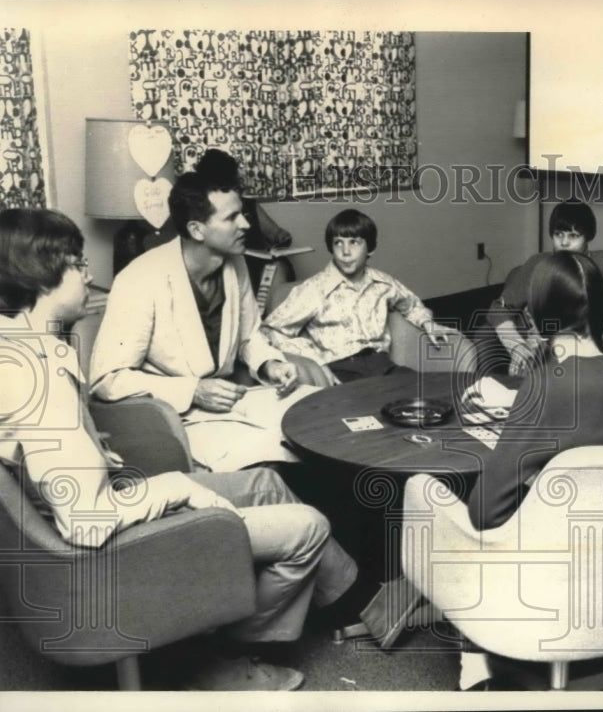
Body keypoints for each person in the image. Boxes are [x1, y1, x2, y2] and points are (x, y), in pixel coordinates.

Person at [0, 208, 357, 690]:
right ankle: (219, 657)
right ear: (40, 273)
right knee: (310, 527)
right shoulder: (37, 381)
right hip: (108, 551)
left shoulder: (22, 348)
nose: (88, 274)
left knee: (266, 482)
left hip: (112, 507)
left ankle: (345, 599)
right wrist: (171, 489)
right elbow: (86, 520)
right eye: (77, 263)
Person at [451, 251, 603, 689]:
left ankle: (476, 659)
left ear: (538, 312)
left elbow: (484, 512)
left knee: (449, 508)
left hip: (554, 568)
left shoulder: (546, 386)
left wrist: (527, 472)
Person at [89, 171, 303, 472]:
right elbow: (106, 379)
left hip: (230, 404)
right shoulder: (140, 279)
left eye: (242, 213)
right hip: (173, 420)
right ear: (197, 229)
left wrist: (271, 364)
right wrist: (193, 390)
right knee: (271, 454)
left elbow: (249, 336)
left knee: (315, 421)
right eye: (232, 218)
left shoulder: (236, 263)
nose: (245, 224)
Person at [260, 208, 452, 384]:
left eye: (354, 243)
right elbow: (270, 330)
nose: (345, 252)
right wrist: (313, 358)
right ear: (331, 247)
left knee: (425, 391)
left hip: (382, 365)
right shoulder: (314, 289)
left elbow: (411, 305)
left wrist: (427, 323)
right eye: (338, 243)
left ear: (370, 248)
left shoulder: (383, 283)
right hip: (341, 370)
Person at [489, 199, 603, 374]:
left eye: (573, 236)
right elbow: (498, 309)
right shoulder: (537, 263)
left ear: (588, 237)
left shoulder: (602, 261)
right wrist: (516, 346)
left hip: (589, 353)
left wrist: (601, 346)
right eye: (558, 234)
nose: (564, 243)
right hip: (540, 357)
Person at [193, 148, 297, 291]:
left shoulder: (248, 204)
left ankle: (273, 312)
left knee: (278, 267)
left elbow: (276, 233)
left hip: (259, 262)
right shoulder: (202, 208)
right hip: (229, 260)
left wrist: (282, 238)